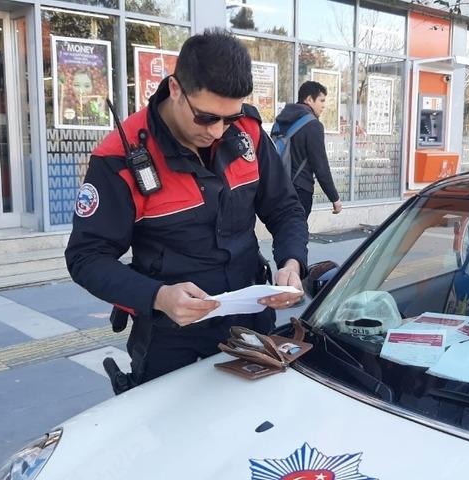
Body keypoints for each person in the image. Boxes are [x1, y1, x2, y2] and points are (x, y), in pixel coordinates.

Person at [65, 29, 308, 395]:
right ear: (175, 88)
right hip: (171, 334)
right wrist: (158, 296)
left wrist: (291, 262)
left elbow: (285, 207)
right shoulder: (119, 157)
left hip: (251, 321)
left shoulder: (248, 132)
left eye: (229, 118)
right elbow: (86, 257)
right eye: (206, 117)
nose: (218, 132)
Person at [273, 81, 342, 218]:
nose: (323, 106)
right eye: (321, 100)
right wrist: (334, 198)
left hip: (278, 187)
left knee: (281, 228)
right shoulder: (313, 125)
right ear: (309, 99)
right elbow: (320, 166)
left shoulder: (280, 120)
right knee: (297, 229)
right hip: (299, 190)